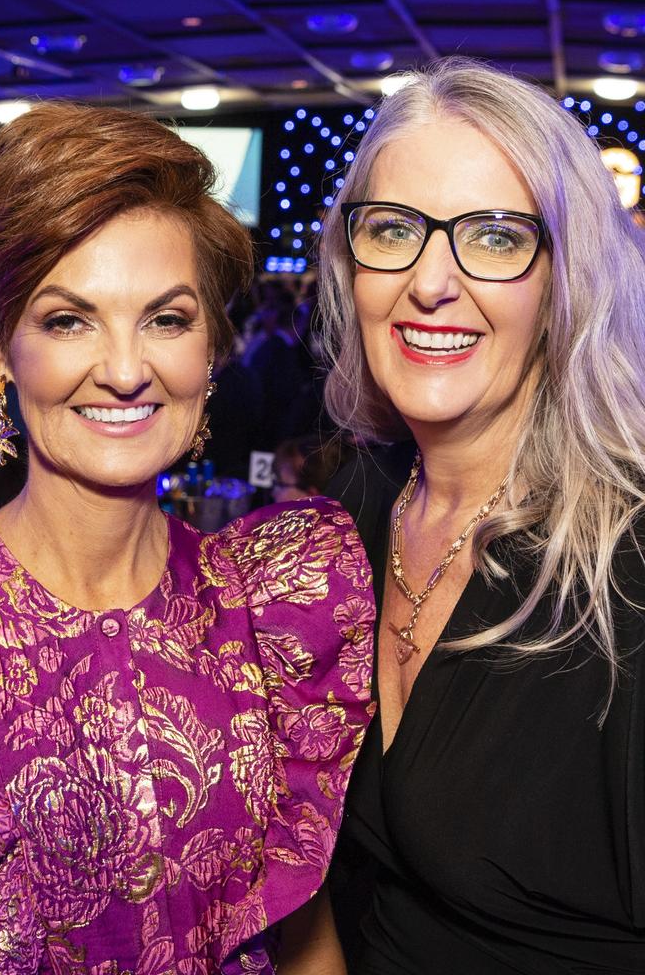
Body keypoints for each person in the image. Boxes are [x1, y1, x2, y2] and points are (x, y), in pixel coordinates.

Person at [0, 102, 374, 975]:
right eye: (68, 319)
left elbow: (304, 935)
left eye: (167, 318)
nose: (125, 368)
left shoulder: (278, 607)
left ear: (212, 348)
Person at [312, 57, 645, 973]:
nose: (431, 281)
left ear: (564, 281)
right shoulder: (349, 512)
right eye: (393, 230)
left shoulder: (631, 567)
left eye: (495, 238)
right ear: (351, 263)